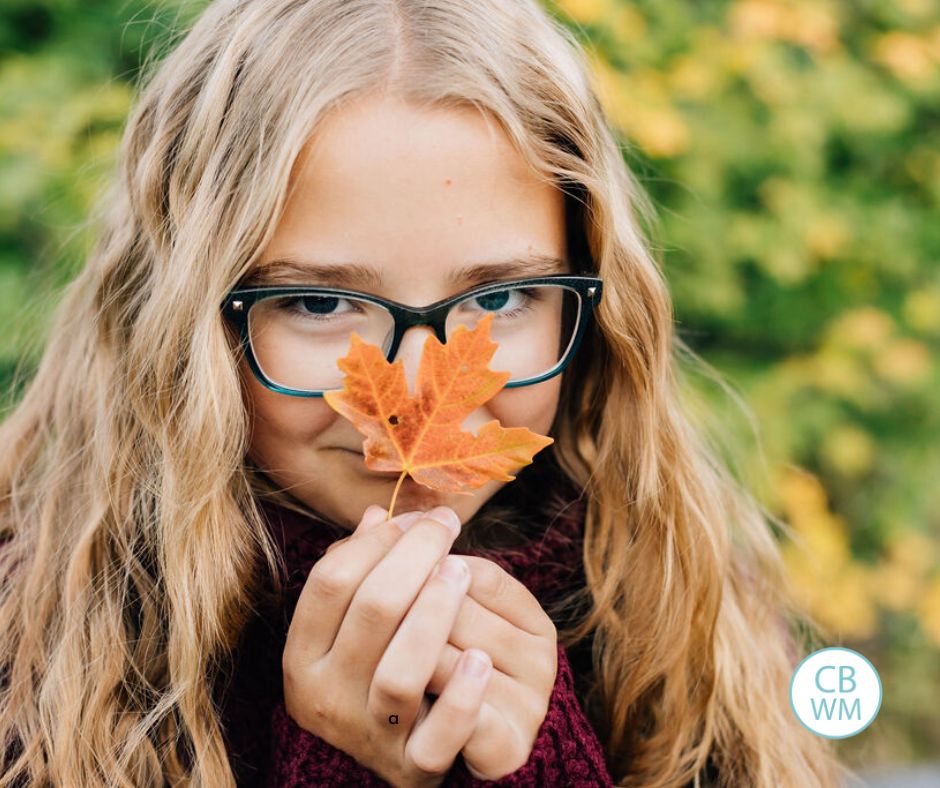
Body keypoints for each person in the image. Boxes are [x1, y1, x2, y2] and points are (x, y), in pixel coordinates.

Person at [0, 0, 859, 785]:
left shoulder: (683, 610)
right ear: (186, 321)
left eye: (497, 299)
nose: (416, 398)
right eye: (319, 302)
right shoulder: (30, 658)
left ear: (595, 300)